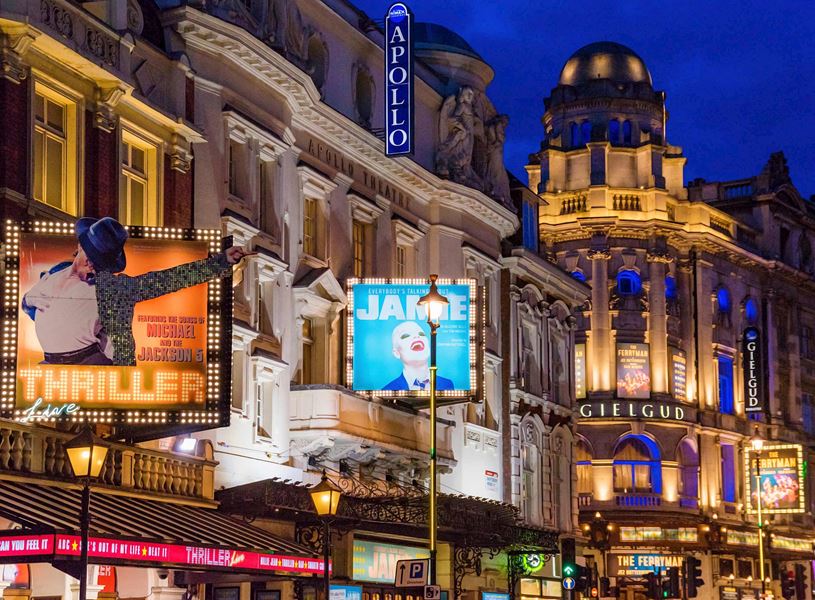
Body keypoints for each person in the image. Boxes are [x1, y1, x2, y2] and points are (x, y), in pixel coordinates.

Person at [74, 217, 253, 366]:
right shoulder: (62, 280)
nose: (87, 262)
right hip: (88, 376)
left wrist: (221, 262)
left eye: (94, 257)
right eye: (86, 251)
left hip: (114, 377)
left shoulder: (117, 288)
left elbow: (172, 278)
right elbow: (172, 279)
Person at [22, 243, 111, 365]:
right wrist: (27, 299)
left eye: (98, 261)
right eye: (90, 255)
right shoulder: (55, 273)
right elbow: (35, 310)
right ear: (81, 247)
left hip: (88, 360)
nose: (91, 264)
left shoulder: (102, 288)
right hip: (50, 362)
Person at [382, 321, 454, 391]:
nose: (416, 336)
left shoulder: (447, 385)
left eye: (421, 334)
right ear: (396, 353)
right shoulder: (388, 390)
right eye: (406, 335)